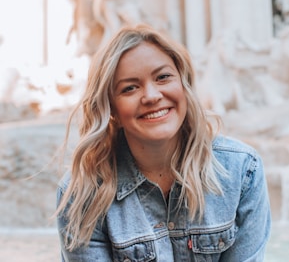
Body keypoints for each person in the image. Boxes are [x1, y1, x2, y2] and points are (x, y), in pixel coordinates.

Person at [56, 24, 271, 261]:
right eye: (130, 88)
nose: (152, 96)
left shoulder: (242, 170)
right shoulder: (83, 194)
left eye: (163, 77)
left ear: (184, 84)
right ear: (112, 109)